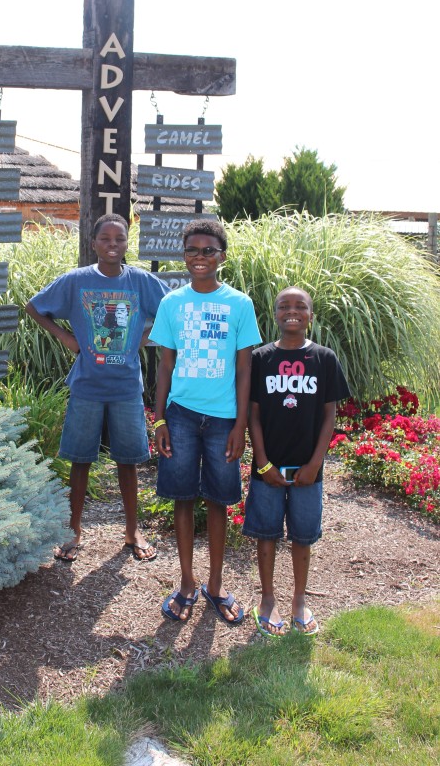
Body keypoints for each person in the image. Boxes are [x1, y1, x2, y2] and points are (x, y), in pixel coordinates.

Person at [24, 213, 170, 563]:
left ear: (127, 243)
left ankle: (132, 531)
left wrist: (144, 338)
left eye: (119, 239)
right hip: (87, 386)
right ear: (93, 244)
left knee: (128, 461)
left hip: (125, 388)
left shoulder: (141, 282)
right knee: (80, 460)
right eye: (105, 239)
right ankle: (73, 530)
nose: (112, 245)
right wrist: (66, 338)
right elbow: (34, 307)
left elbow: (172, 312)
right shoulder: (76, 281)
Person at [150, 219, 261, 623]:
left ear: (222, 256)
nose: (200, 257)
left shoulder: (240, 304)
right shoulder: (172, 304)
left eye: (208, 250)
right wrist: (159, 419)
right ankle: (186, 582)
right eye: (193, 250)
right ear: (184, 256)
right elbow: (165, 365)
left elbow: (245, 369)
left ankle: (215, 584)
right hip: (180, 415)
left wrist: (239, 426)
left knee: (218, 500)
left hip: (223, 419)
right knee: (182, 497)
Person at [243, 286, 350, 637]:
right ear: (275, 314)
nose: (292, 311)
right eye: (284, 306)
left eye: (300, 306)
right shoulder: (261, 359)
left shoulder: (324, 358)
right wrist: (263, 464)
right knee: (266, 534)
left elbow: (329, 416)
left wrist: (315, 463)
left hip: (308, 470)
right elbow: (253, 415)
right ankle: (268, 598)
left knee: (303, 536)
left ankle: (299, 600)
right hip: (268, 470)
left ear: (310, 315)